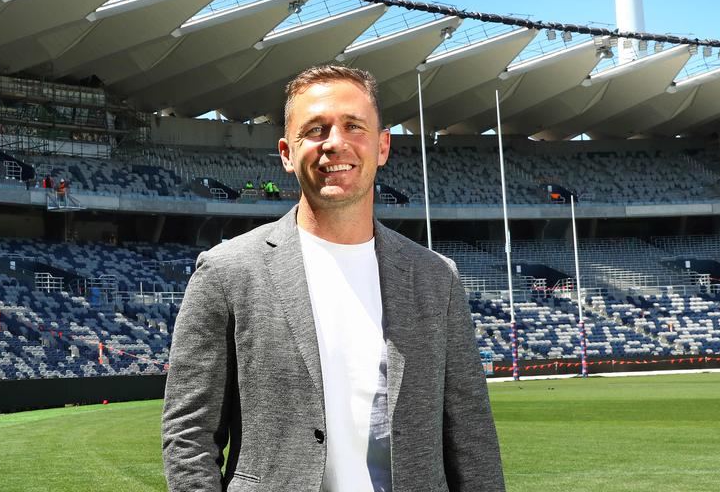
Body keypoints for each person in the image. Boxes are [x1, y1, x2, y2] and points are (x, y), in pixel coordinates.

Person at [163, 64, 504, 492]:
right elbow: (188, 437)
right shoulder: (226, 273)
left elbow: (472, 437)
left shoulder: (437, 278)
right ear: (287, 153)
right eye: (316, 130)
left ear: (382, 147)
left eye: (353, 126)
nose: (335, 144)